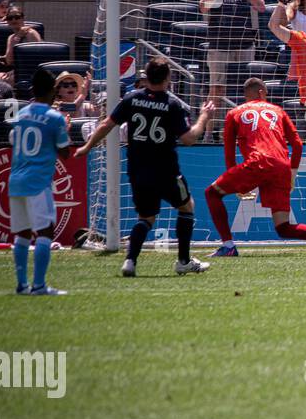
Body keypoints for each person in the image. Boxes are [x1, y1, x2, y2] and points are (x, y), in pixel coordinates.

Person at [73, 57, 215, 278]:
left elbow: (106, 124)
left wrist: (87, 146)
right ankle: (184, 261)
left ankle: (130, 261)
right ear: (168, 78)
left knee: (146, 218)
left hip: (138, 169)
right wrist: (204, 118)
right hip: (166, 170)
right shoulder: (172, 104)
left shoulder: (132, 99)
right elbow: (188, 139)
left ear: (146, 77)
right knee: (187, 207)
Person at [203, 77, 306, 257]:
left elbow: (229, 152)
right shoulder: (278, 110)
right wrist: (292, 174)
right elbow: (298, 144)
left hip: (257, 162)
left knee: (212, 193)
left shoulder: (234, 113)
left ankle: (228, 246)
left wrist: (234, 179)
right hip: (281, 167)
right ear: (261, 92)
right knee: (283, 227)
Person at [6, 69, 72, 295]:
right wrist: (67, 130)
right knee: (45, 232)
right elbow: (65, 153)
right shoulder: (55, 118)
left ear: (33, 90)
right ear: (53, 90)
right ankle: (40, 285)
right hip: (37, 181)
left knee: (22, 234)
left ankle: (22, 284)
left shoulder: (20, 114)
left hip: (16, 180)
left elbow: (13, 141)